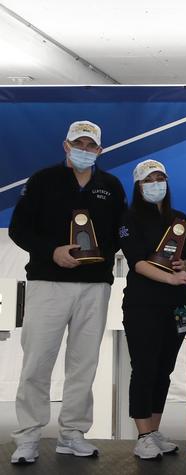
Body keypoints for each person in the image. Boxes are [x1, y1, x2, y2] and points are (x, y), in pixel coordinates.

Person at [8, 121, 126, 464]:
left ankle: (73, 433)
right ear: (66, 145)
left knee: (84, 363)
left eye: (91, 145)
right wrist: (51, 252)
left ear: (100, 151)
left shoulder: (111, 185)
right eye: (79, 143)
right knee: (37, 361)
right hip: (48, 282)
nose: (85, 150)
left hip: (94, 285)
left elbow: (122, 231)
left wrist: (108, 252)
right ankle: (28, 436)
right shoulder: (42, 180)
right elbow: (19, 229)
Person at [119, 159, 186, 460]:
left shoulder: (180, 218)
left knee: (165, 369)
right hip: (143, 304)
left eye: (160, 177)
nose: (156, 183)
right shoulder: (129, 218)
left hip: (176, 305)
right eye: (149, 179)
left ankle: (155, 430)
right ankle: (142, 435)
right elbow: (136, 262)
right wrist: (170, 277)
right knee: (145, 368)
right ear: (139, 186)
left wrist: (184, 266)